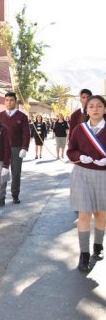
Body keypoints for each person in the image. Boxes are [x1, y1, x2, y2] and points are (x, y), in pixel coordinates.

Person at [67, 95, 106, 272]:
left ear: (104, 109)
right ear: (86, 109)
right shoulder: (79, 130)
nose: (95, 109)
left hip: (103, 175)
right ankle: (84, 254)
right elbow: (71, 151)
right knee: (84, 214)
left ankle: (98, 244)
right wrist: (78, 157)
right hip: (81, 175)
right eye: (91, 106)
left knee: (100, 214)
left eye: (99, 106)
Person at [0, 92, 30, 205]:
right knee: (3, 173)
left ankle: (15, 195)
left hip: (17, 149)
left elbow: (26, 134)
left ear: (15, 102)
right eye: (7, 100)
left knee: (16, 173)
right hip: (2, 149)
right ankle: (1, 197)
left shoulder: (22, 116)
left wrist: (24, 148)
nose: (9, 102)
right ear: (4, 101)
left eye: (11, 100)